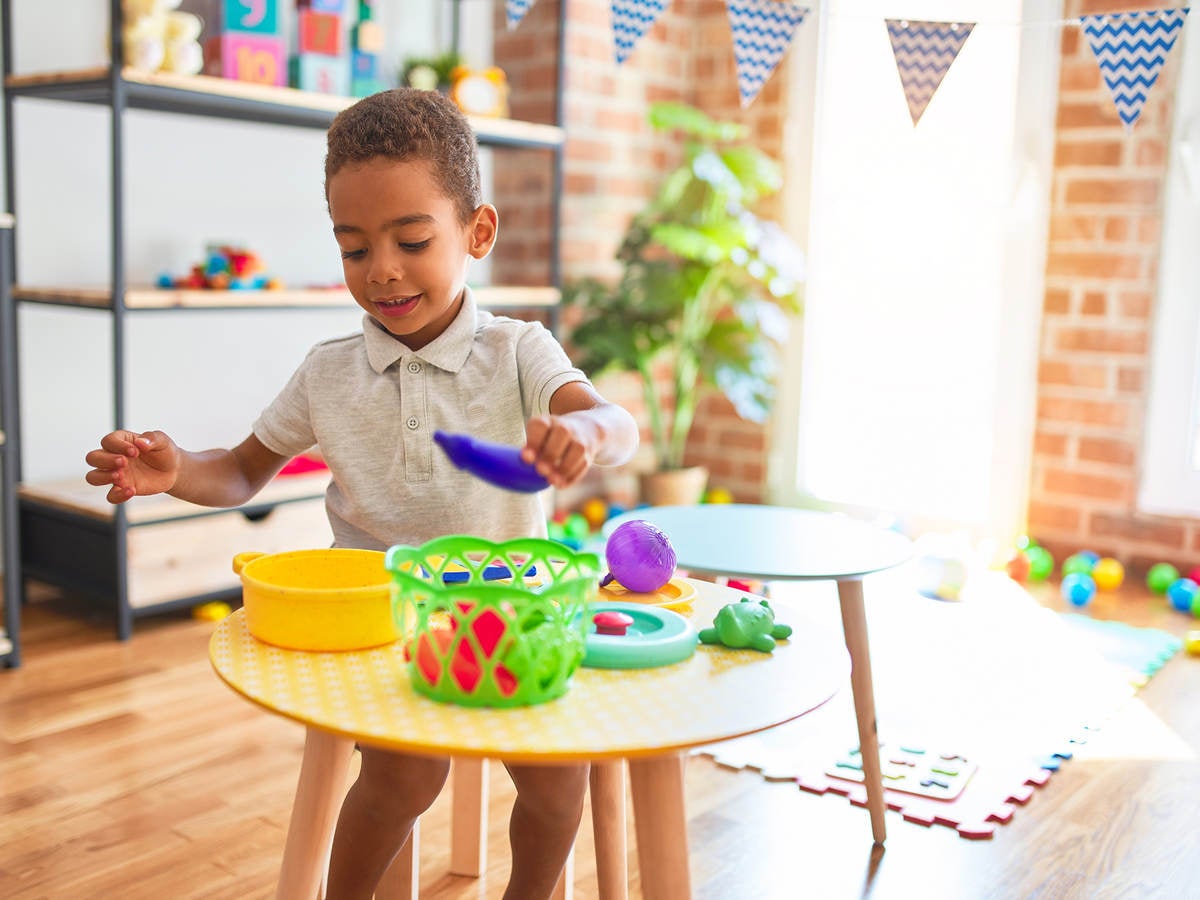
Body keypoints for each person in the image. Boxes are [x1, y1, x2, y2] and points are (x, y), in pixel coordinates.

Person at [84, 88, 639, 900]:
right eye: (353, 249)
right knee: (404, 783)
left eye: (411, 240)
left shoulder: (521, 350)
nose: (381, 269)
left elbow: (616, 421)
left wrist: (585, 436)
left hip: (514, 611)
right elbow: (242, 469)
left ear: (477, 232)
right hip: (386, 623)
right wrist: (175, 472)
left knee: (559, 785)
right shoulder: (328, 371)